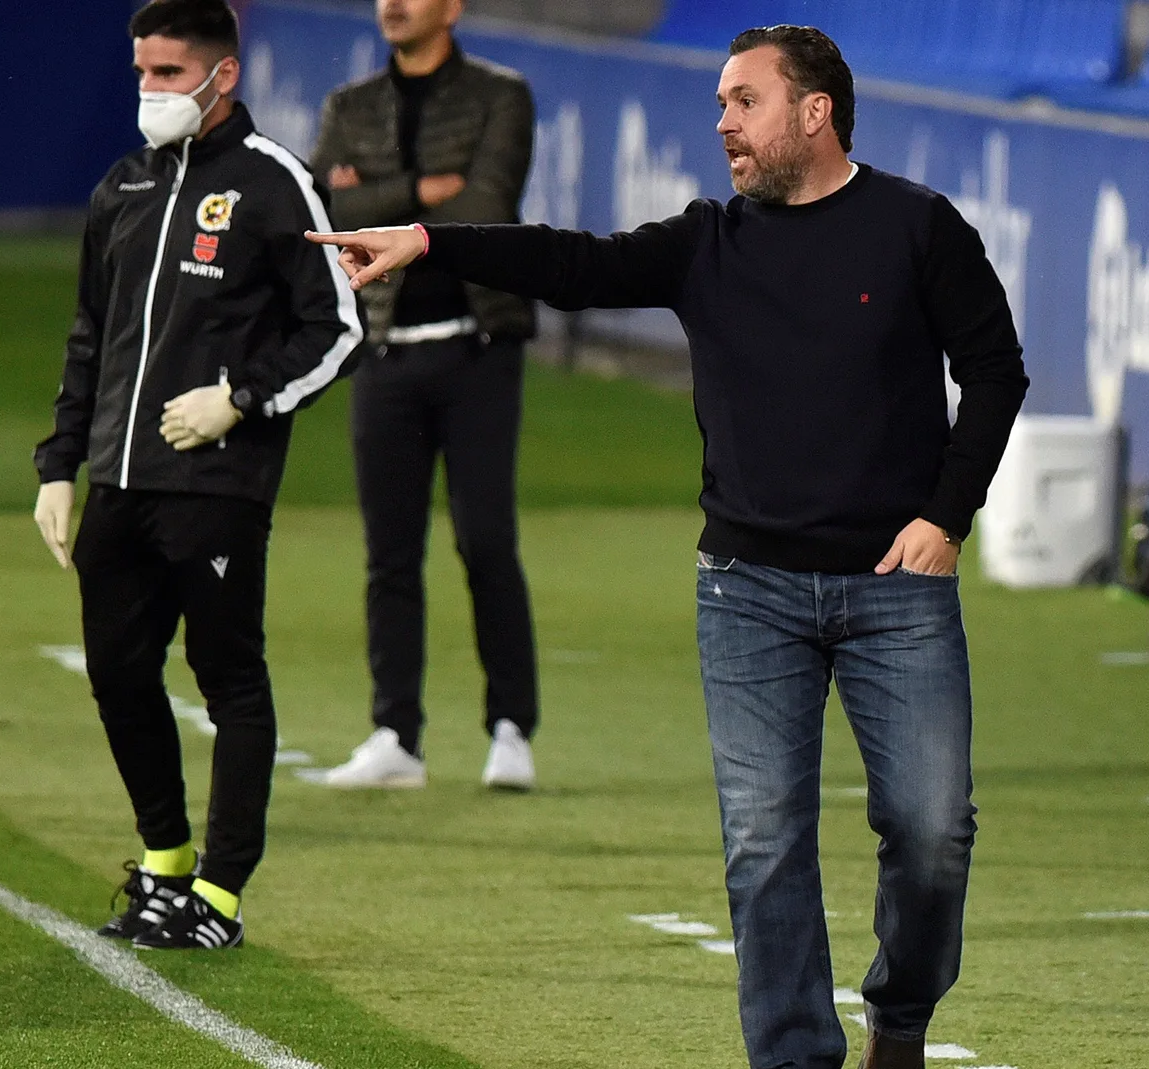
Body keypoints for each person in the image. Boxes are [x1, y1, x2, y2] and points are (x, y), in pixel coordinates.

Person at [310, 25, 1027, 1069]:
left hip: (895, 587)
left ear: (814, 112)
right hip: (747, 590)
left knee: (931, 836)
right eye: (721, 104)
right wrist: (428, 240)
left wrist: (944, 517)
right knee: (763, 844)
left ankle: (901, 1021)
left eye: (744, 101)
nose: (723, 123)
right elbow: (571, 261)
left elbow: (995, 371)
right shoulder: (707, 241)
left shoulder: (916, 227)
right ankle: (792, 1057)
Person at [32, 0, 363, 951]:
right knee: (118, 672)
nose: (151, 91)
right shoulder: (122, 187)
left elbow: (337, 326)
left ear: (223, 75)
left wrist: (243, 400)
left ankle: (220, 894)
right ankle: (165, 863)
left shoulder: (273, 183)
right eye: (142, 72)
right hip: (118, 484)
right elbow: (90, 338)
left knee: (228, 681)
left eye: (170, 74)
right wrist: (60, 465)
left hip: (217, 488)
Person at [305, 0, 541, 791]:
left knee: (485, 540)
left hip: (477, 350)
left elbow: (488, 204)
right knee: (390, 555)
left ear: (454, 7)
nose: (392, 5)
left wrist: (381, 196)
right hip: (384, 353)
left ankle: (511, 728)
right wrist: (420, 187)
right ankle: (394, 734)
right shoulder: (351, 105)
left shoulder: (501, 96)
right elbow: (328, 214)